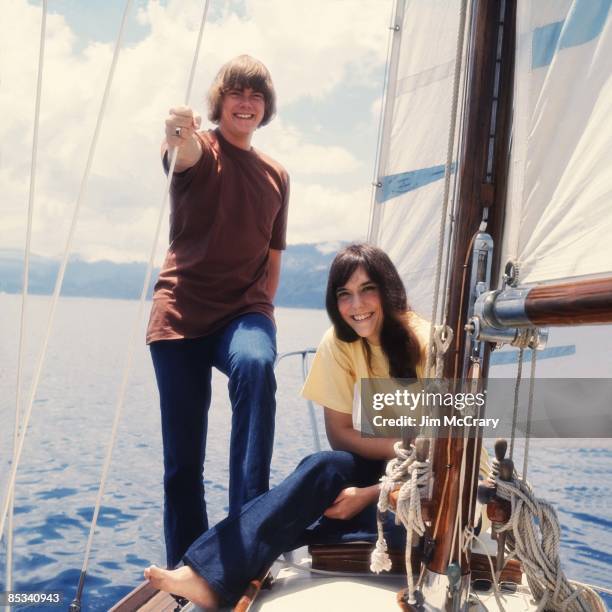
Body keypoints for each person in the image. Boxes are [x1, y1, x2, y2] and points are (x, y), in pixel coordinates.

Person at [144, 243, 432, 608]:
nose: (356, 306)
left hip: (432, 486)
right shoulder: (341, 342)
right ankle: (212, 573)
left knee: (300, 513)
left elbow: (445, 450)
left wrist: (369, 493)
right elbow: (341, 434)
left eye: (367, 290)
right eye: (345, 295)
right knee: (323, 467)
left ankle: (213, 573)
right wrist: (403, 448)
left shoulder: (428, 342)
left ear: (388, 290)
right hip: (390, 464)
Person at [146, 55, 290, 569]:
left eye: (256, 95)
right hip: (180, 315)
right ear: (220, 103)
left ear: (265, 106)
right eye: (237, 94)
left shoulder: (277, 174)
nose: (246, 103)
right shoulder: (201, 149)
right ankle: (190, 567)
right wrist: (176, 133)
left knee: (256, 363)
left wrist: (264, 313)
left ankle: (248, 539)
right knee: (182, 463)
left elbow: (273, 257)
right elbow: (179, 155)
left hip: (242, 315)